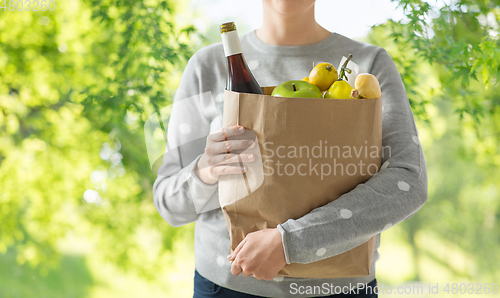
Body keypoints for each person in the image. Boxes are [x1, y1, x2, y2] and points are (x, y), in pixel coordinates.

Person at [153, 0, 428, 297]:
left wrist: (290, 242)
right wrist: (205, 171)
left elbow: (408, 182)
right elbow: (169, 205)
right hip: (226, 285)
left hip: (340, 289)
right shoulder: (206, 66)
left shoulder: (368, 66)